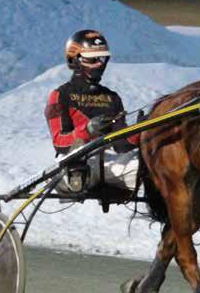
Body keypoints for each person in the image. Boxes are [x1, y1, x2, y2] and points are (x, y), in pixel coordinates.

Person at [44, 29, 139, 192]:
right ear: (74, 59)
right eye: (92, 59)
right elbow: (59, 142)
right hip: (75, 160)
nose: (99, 64)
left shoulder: (112, 97)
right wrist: (87, 130)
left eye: (102, 59)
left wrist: (142, 131)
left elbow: (121, 145)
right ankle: (76, 174)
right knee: (75, 160)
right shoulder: (60, 95)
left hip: (110, 164)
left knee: (151, 162)